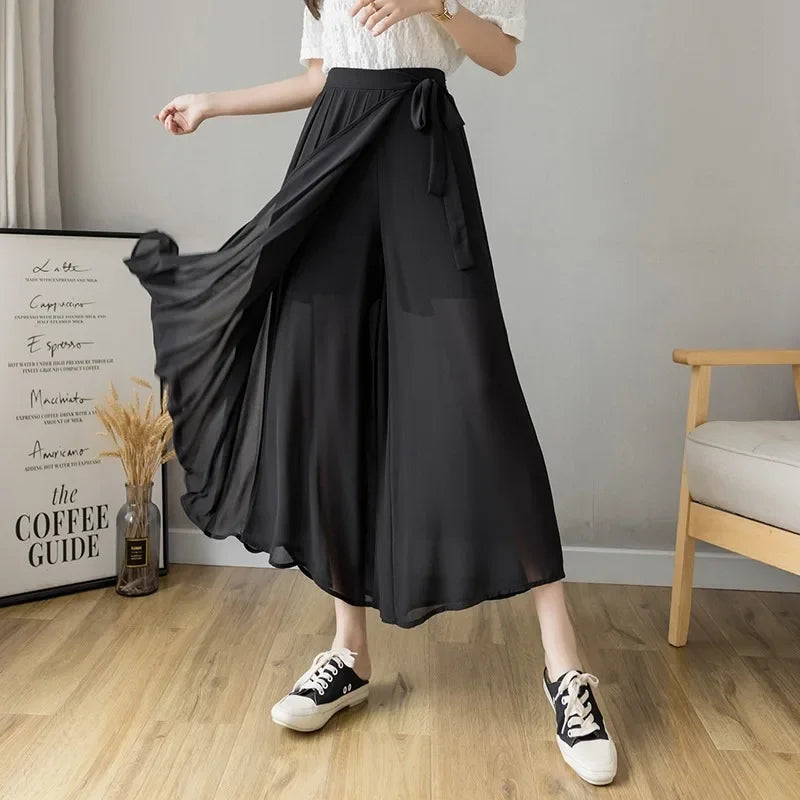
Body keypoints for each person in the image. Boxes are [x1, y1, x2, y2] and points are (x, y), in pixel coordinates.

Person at [125, 0, 618, 786]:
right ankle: (347, 652)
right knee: (327, 394)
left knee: (480, 393)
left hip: (420, 149)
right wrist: (216, 103)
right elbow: (326, 76)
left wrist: (437, 3)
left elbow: (501, 56)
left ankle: (567, 674)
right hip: (334, 160)